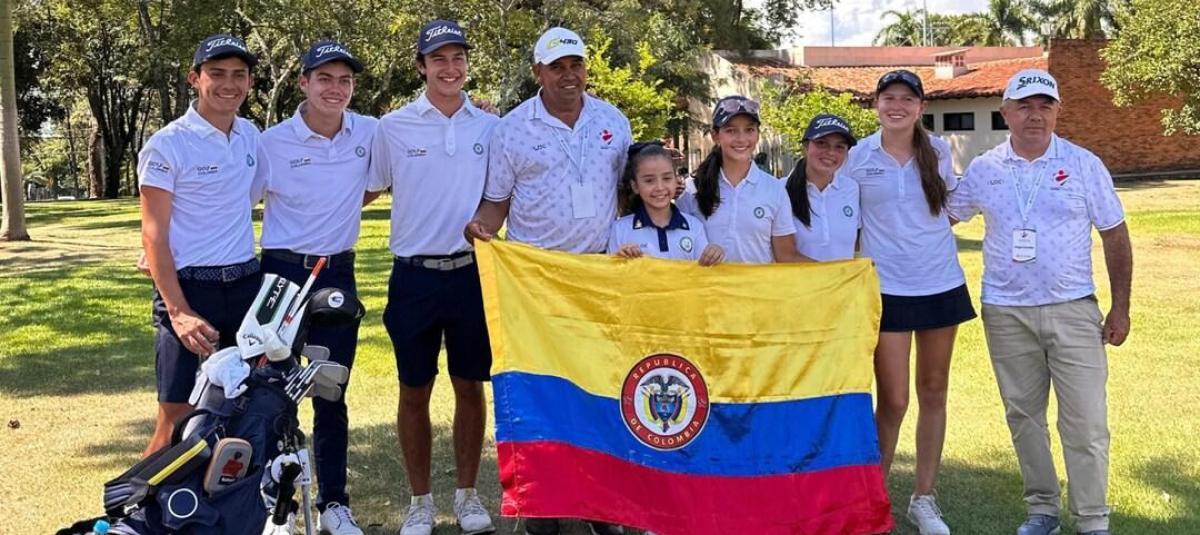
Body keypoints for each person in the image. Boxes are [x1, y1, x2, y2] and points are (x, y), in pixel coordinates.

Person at [948, 69, 1132, 535]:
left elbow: (1115, 234)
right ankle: (1042, 511)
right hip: (1006, 311)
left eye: (1044, 106)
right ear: (1005, 112)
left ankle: (1092, 520)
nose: (1035, 115)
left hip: (1073, 308)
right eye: (1024, 106)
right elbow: (941, 217)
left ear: (1057, 111)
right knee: (1024, 418)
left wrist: (1120, 307)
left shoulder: (1084, 164)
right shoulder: (985, 168)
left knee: (1086, 422)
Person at [464, 26, 631, 535]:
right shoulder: (512, 129)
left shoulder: (613, 121)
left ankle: (602, 506)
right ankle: (543, 506)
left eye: (576, 64)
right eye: (557, 67)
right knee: (541, 396)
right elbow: (496, 203)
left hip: (599, 277)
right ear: (538, 72)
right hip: (535, 284)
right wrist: (481, 228)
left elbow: (628, 198)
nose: (568, 75)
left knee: (600, 392)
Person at [366, 20, 497, 535]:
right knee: (413, 388)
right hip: (414, 278)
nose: (449, 68)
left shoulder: (489, 126)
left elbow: (504, 193)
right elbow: (364, 190)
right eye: (438, 59)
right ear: (421, 67)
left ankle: (467, 496)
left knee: (470, 384)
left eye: (457, 57)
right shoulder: (392, 127)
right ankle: (419, 502)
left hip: (471, 275)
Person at [844, 69, 975, 535]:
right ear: (876, 104)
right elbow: (843, 216)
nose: (896, 106)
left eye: (906, 99)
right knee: (894, 400)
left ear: (921, 107)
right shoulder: (857, 156)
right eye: (888, 98)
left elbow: (948, 210)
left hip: (940, 283)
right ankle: (872, 501)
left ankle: (924, 498)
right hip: (886, 290)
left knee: (934, 391)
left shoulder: (937, 151)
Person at [254, 39, 374, 535]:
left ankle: (334, 504)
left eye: (344, 80)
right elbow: (237, 200)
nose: (335, 88)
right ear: (303, 83)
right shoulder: (270, 142)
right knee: (269, 391)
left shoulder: (369, 132)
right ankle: (273, 507)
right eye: (324, 78)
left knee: (330, 389)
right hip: (281, 274)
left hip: (337, 274)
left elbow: (374, 185)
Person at [137, 34, 266, 457]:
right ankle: (139, 501)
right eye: (217, 73)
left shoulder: (250, 136)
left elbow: (246, 198)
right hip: (189, 290)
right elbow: (153, 232)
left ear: (250, 82)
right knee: (177, 418)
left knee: (242, 410)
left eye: (239, 75)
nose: (229, 84)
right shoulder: (167, 143)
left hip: (245, 285)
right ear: (195, 78)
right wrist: (179, 312)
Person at [675, 96, 806, 264]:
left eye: (749, 130)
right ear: (716, 136)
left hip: (757, 282)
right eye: (731, 130)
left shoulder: (775, 189)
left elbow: (786, 255)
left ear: (758, 135)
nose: (741, 139)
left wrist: (836, 273)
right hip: (706, 282)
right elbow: (677, 249)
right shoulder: (691, 188)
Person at [607, 142, 724, 265]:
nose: (660, 187)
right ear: (635, 186)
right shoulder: (620, 229)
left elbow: (704, 271)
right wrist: (620, 259)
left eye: (667, 178)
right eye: (649, 180)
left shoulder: (694, 226)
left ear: (676, 180)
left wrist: (713, 255)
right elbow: (612, 273)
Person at [783, 114, 860, 261]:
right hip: (796, 277)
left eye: (839, 147)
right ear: (806, 147)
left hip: (844, 277)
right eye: (821, 143)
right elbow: (782, 254)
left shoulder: (852, 189)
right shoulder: (781, 190)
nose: (831, 152)